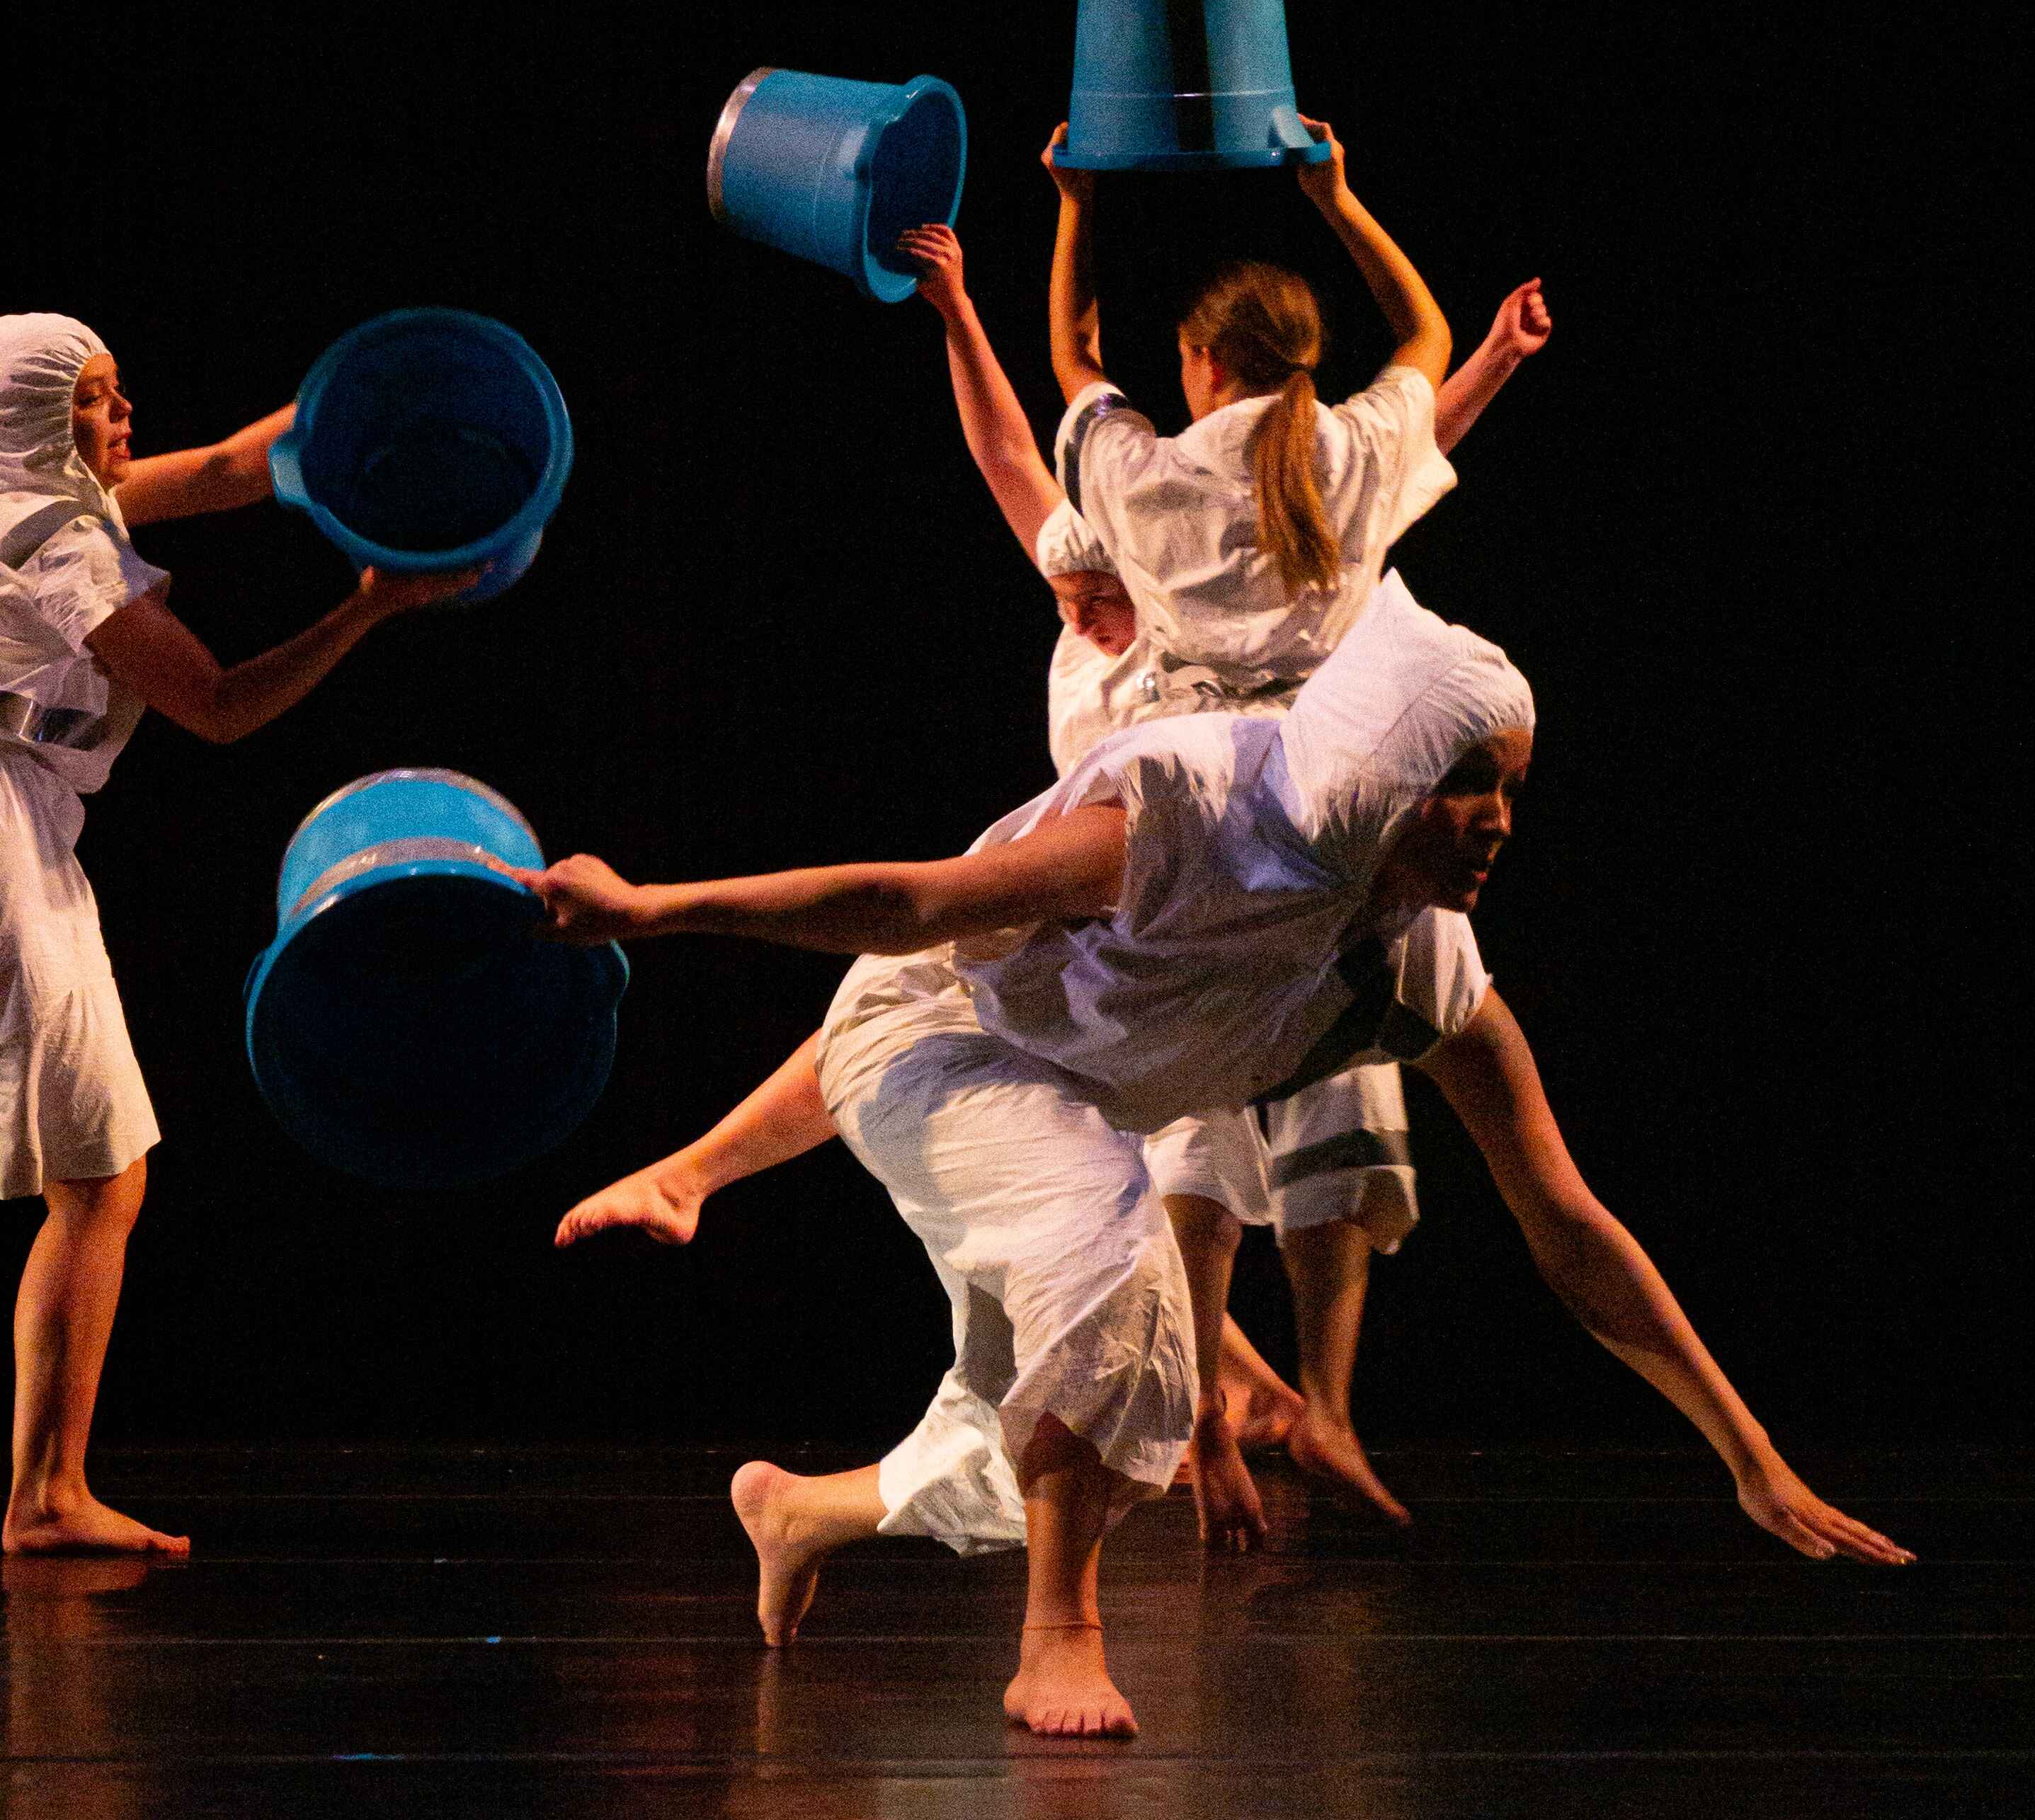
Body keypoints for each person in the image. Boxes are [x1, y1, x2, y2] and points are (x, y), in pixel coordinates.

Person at [542, 578, 1910, 1735]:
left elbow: (1566, 1223)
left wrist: (1748, 1451)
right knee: (1113, 1256)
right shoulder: (1193, 821)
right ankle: (1057, 1641)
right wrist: (648, 913)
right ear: (1382, 774)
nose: (1498, 818)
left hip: (1057, 1089)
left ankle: (801, 1516)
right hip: (936, 1043)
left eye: (1514, 789)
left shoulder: (1424, 978)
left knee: (1039, 1432)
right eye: (1466, 783)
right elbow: (913, 911)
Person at [899, 207, 1549, 1540]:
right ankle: (1242, 1401)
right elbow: (1023, 457)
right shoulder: (1149, 613)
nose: (1087, 602)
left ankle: (1286, 1402)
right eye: (1075, 587)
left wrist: (1041, 232)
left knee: (1289, 1103)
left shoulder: (1168, 548)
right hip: (1241, 879)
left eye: (1093, 584)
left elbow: (1053, 436)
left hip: (1238, 881)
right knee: (1207, 1125)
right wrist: (1481, 357)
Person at [1, 315, 464, 1557]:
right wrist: (364, 611)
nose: (124, 416)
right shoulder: (46, 535)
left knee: (97, 1169)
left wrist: (367, 396)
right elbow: (213, 703)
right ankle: (45, 1491)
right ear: (38, 430)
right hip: (3, 835)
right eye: (96, 402)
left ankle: (47, 1488)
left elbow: (220, 471)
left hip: (30, 833)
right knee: (100, 1167)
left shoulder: (50, 497)